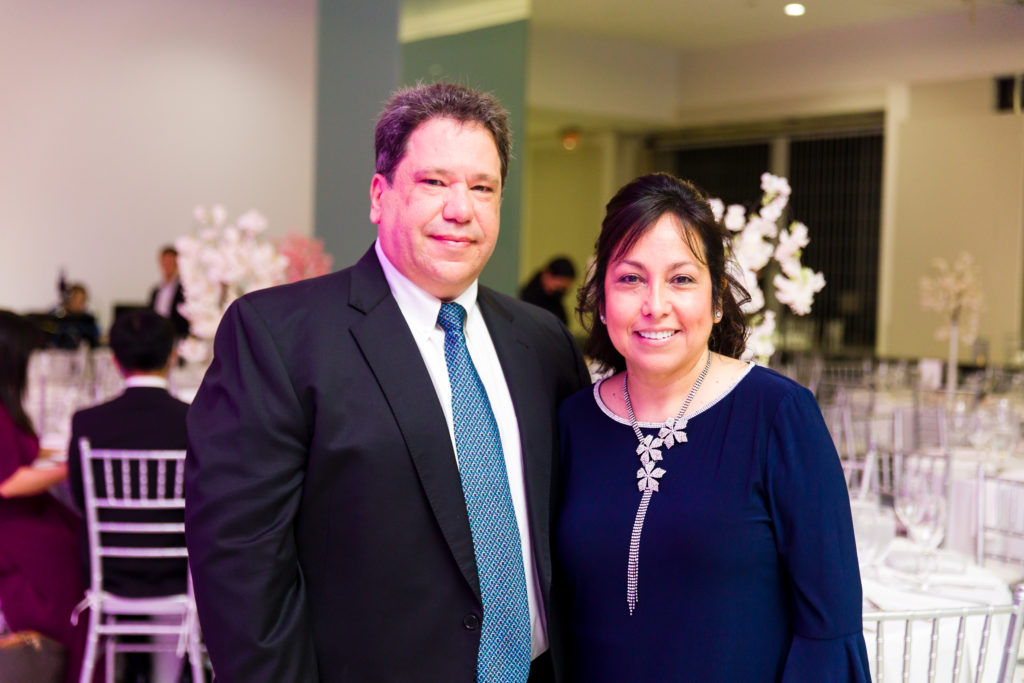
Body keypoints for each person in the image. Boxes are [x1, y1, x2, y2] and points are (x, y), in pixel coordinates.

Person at [184, 82, 591, 682]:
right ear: (380, 195)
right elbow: (240, 567)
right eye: (434, 182)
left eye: (483, 188)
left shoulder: (542, 342)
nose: (461, 209)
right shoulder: (278, 336)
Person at [556, 173, 869, 681]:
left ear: (718, 298)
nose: (655, 305)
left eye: (681, 279)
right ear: (602, 300)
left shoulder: (779, 415)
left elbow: (828, 633)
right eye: (630, 279)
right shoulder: (573, 421)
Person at [66, 309, 190, 683]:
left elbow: (78, 500)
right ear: (172, 356)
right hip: (178, 573)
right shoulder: (195, 419)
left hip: (109, 573)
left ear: (115, 360)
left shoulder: (87, 421)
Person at [0, 310, 89, 683]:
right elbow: (7, 483)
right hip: (16, 529)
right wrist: (71, 466)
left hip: (30, 520)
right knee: (78, 573)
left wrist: (53, 458)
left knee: (85, 552)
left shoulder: (6, 406)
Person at [519, 256, 577, 325]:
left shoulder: (553, 301)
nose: (562, 292)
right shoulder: (530, 303)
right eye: (560, 287)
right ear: (547, 275)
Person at [148, 246, 189, 338]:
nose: (167, 267)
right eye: (165, 263)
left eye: (170, 263)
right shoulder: (156, 291)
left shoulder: (184, 290)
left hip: (176, 336)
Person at [50, 283, 100, 349]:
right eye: (80, 301)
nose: (82, 304)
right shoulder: (58, 317)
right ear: (69, 300)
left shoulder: (88, 320)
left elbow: (96, 339)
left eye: (84, 300)